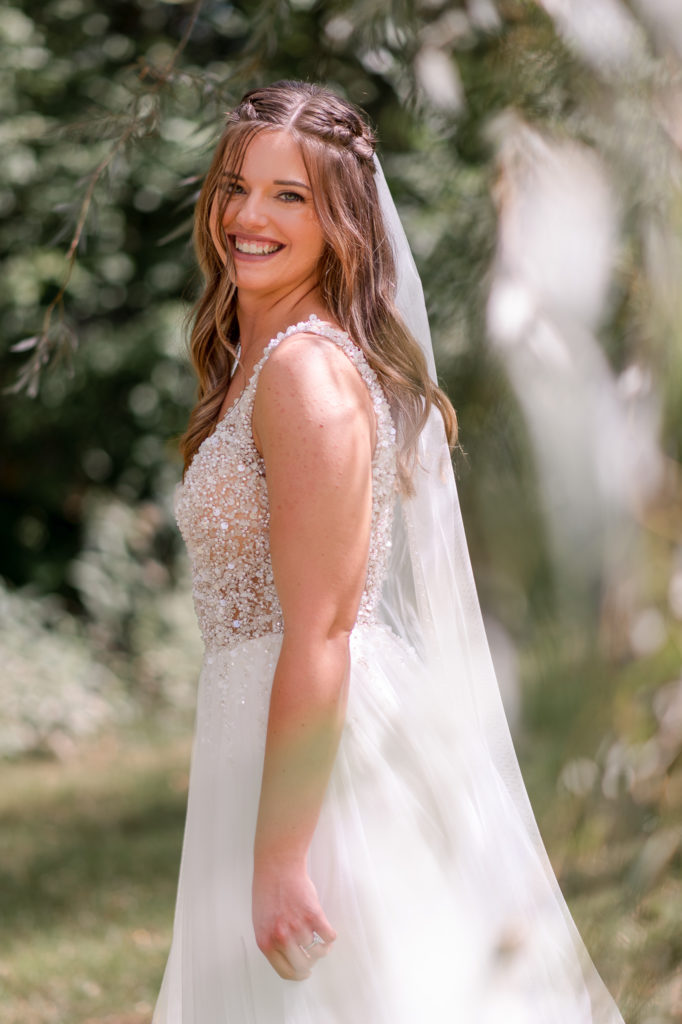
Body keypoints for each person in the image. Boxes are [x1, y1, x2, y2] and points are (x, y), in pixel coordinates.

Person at [152, 80, 626, 1023]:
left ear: (343, 219)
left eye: (290, 195)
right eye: (236, 185)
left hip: (330, 770)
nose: (248, 215)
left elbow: (324, 626)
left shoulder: (306, 376)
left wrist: (284, 859)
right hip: (257, 736)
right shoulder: (259, 352)